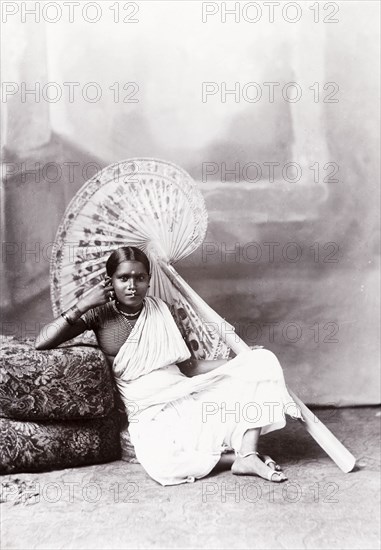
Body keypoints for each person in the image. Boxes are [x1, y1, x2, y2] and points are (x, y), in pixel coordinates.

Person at [36, 246, 300, 486]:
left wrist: (238, 362)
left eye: (140, 278)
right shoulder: (98, 314)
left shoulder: (160, 309)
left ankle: (250, 454)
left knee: (261, 363)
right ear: (110, 281)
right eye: (123, 278)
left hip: (184, 390)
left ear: (149, 280)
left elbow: (190, 367)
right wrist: (83, 304)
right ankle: (234, 460)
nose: (132, 286)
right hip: (148, 408)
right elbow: (42, 341)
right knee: (162, 463)